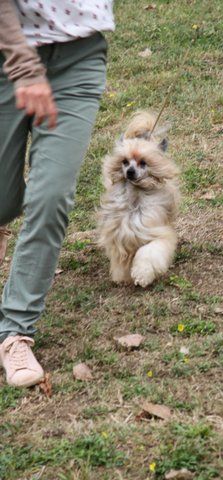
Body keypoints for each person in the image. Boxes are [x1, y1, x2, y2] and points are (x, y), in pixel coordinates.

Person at [0, 0, 115, 388]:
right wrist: (23, 66)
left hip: (79, 57)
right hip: (5, 53)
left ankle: (15, 331)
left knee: (51, 197)